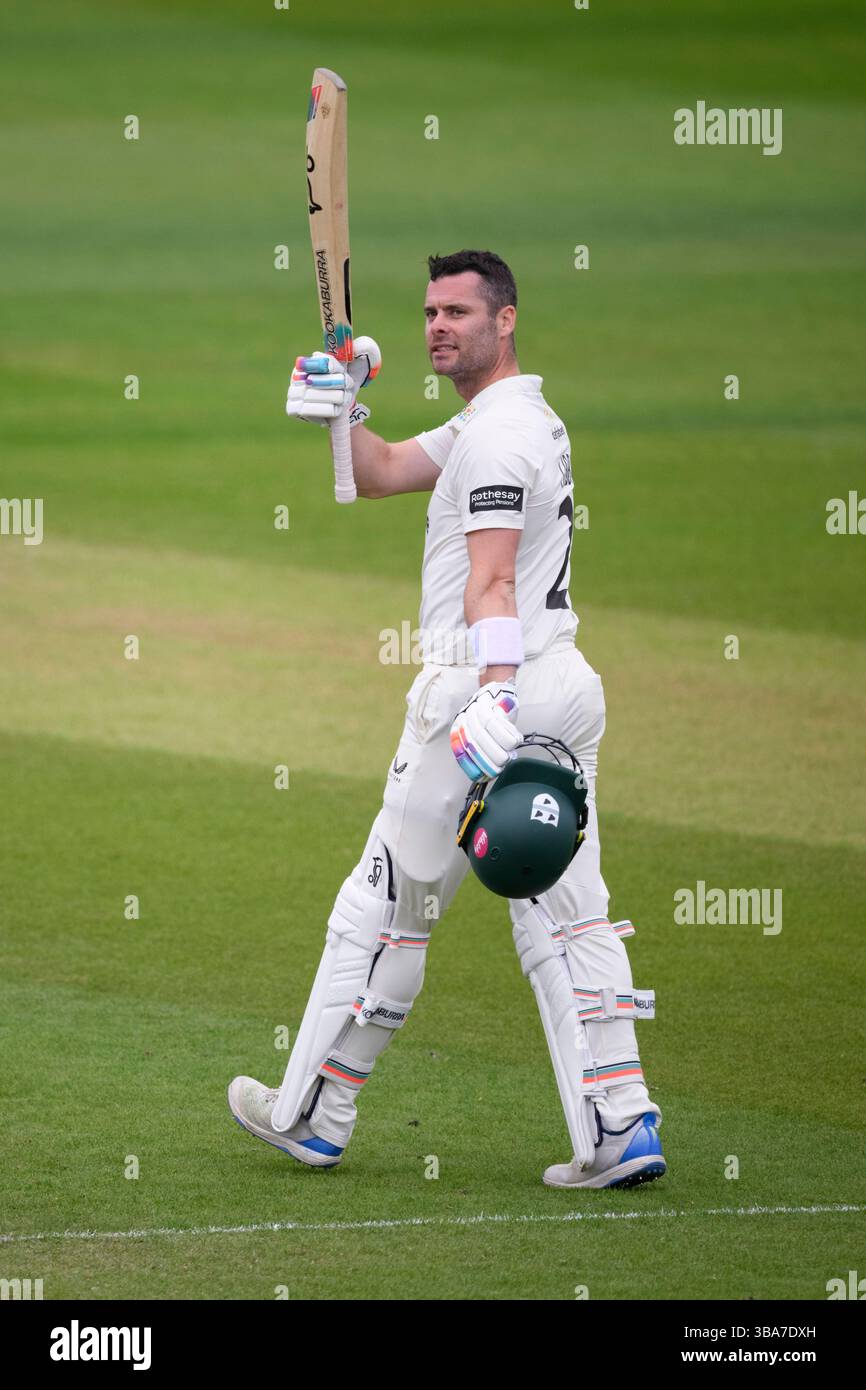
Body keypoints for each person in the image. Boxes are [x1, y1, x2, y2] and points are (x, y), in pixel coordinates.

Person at [228, 249, 665, 1189]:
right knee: (566, 913)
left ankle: (313, 1112)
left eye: (459, 312)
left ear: (506, 321)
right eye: (430, 311)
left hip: (486, 691)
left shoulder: (500, 439)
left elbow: (493, 577)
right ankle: (621, 1123)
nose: (438, 326)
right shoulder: (500, 421)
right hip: (562, 688)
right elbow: (381, 473)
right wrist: (346, 407)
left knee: (386, 909)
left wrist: (494, 691)